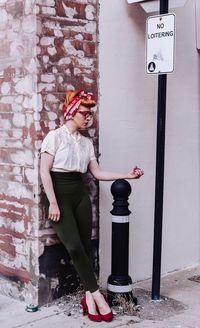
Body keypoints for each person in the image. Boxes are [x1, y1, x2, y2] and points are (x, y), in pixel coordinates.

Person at [40, 90, 144, 323]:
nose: (88, 118)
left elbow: (96, 173)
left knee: (86, 248)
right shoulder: (54, 137)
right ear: (71, 112)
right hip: (59, 194)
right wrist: (54, 202)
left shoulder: (86, 143)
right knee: (75, 248)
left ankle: (87, 298)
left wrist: (126, 175)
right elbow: (43, 171)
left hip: (80, 194)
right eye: (84, 113)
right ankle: (97, 296)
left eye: (90, 114)